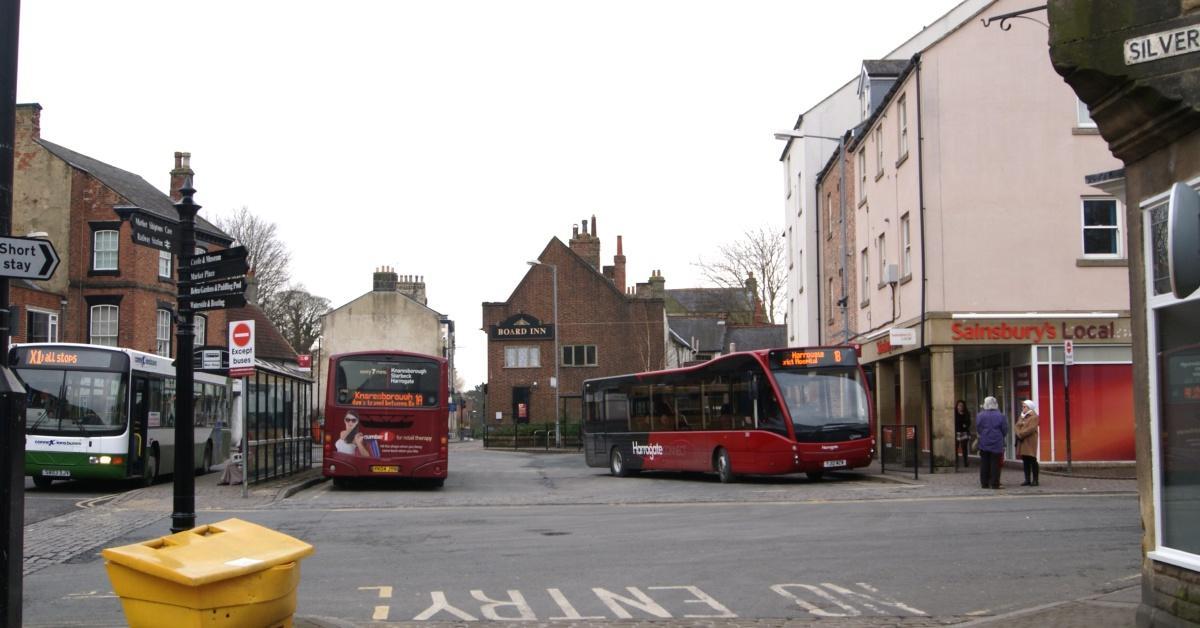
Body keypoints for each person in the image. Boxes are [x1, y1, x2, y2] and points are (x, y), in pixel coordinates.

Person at [975, 396, 1008, 489]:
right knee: (995, 464)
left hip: (984, 441)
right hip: (997, 442)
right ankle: (995, 483)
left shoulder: (980, 415)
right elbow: (1005, 429)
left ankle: (984, 483)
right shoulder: (1001, 415)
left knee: (984, 463)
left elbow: (978, 428)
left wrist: (984, 434)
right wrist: (1000, 435)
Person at [1016, 399, 1040, 486]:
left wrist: (1020, 434)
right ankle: (1027, 479)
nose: (1023, 408)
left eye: (1024, 406)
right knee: (1025, 460)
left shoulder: (1034, 416)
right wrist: (1018, 433)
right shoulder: (1022, 416)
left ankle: (1035, 480)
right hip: (1022, 440)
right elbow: (1017, 425)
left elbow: (1031, 428)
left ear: (1029, 407)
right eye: (1022, 406)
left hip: (1030, 441)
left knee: (1032, 460)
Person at [954, 400, 972, 468]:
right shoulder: (954, 413)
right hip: (957, 432)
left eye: (961, 406)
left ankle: (965, 462)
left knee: (964, 448)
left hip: (964, 432)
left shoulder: (966, 413)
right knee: (956, 447)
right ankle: (956, 462)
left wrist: (966, 425)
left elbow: (969, 422)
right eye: (959, 405)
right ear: (957, 406)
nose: (960, 407)